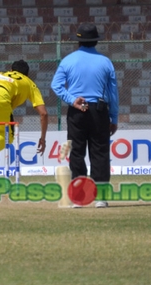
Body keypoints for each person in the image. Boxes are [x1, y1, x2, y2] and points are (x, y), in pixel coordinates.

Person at [51, 23, 119, 208]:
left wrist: (72, 100)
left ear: (78, 42)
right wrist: (114, 118)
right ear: (96, 41)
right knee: (100, 153)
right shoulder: (105, 62)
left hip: (77, 111)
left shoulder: (67, 60)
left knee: (76, 152)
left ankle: (79, 198)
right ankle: (101, 198)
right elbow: (113, 93)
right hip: (99, 110)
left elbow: (56, 86)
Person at [0, 60, 48, 180]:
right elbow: (43, 113)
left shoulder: (1, 74)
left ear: (11, 70)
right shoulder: (28, 82)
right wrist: (43, 138)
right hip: (0, 95)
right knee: (7, 136)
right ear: (27, 74)